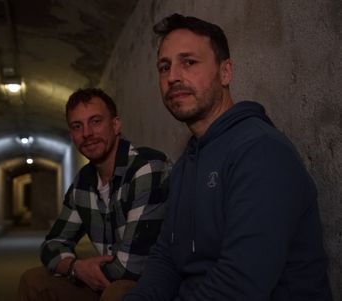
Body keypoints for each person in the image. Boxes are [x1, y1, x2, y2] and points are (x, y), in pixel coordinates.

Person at [124, 13, 332, 300]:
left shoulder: (261, 151)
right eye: (164, 67)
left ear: (226, 72)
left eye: (189, 62)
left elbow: (239, 285)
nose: (172, 77)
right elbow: (166, 258)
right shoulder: (186, 164)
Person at [18, 88, 171, 301]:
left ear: (116, 125)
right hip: (107, 280)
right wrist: (75, 267)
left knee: (116, 293)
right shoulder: (84, 182)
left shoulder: (146, 168)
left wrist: (84, 272)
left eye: (96, 121)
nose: (87, 133)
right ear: (72, 136)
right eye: (77, 126)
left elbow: (131, 268)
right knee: (33, 281)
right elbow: (52, 244)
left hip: (152, 284)